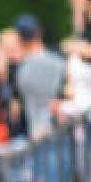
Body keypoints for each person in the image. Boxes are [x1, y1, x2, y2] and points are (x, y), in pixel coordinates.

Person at [13, 14, 66, 143]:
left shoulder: (22, 71)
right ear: (39, 32)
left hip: (37, 133)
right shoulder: (59, 62)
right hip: (62, 129)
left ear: (19, 38)